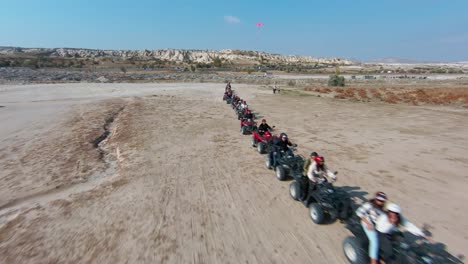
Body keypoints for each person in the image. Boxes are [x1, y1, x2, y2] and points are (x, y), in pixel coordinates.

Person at [356, 192, 388, 264]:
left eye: (382, 201)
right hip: (367, 223)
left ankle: (382, 258)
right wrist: (368, 223)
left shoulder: (382, 209)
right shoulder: (369, 205)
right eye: (379, 200)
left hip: (378, 225)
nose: (381, 202)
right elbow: (359, 212)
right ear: (375, 199)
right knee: (374, 241)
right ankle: (373, 261)